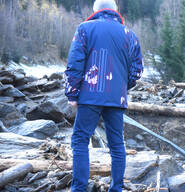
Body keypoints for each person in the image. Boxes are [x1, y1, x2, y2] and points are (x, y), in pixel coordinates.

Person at [64, 0, 143, 191]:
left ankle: (79, 188)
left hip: (90, 95)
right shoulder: (129, 34)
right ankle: (116, 188)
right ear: (115, 11)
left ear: (95, 11)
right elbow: (137, 72)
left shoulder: (85, 28)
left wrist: (72, 93)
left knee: (80, 140)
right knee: (117, 144)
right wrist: (122, 87)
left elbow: (75, 63)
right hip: (117, 98)